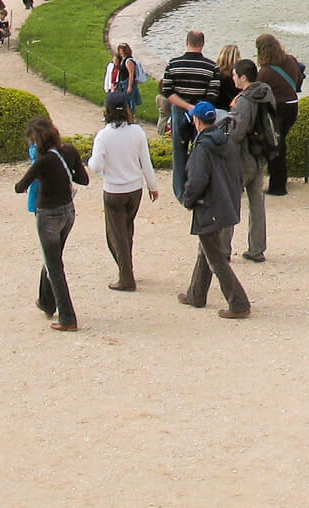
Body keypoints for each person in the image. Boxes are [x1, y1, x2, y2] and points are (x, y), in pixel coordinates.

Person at [175, 102, 251, 319]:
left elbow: (197, 180)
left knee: (215, 256)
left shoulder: (202, 147)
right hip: (225, 204)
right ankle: (196, 294)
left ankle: (239, 303)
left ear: (198, 121)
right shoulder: (226, 141)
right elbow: (237, 173)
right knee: (207, 249)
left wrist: (188, 200)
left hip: (209, 206)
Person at [15, 116, 89, 331]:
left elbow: (21, 187)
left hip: (48, 215)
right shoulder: (70, 151)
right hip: (68, 213)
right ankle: (47, 301)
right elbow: (83, 180)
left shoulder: (42, 160)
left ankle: (67, 317)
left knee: (55, 266)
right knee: (53, 258)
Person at [89, 92, 160, 289]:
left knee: (115, 235)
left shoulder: (103, 136)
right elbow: (146, 162)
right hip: (134, 190)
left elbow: (94, 167)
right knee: (127, 230)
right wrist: (153, 186)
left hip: (113, 190)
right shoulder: (137, 132)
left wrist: (98, 165)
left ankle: (126, 276)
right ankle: (127, 268)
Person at [225, 59, 276, 261]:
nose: (233, 78)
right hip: (261, 154)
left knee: (229, 202)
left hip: (243, 158)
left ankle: (223, 250)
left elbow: (236, 133)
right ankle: (257, 248)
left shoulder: (244, 102)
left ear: (244, 77)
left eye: (235, 75)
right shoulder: (266, 92)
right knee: (257, 203)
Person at [159, 29, 217, 203]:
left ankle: (180, 193)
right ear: (203, 44)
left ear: (187, 42)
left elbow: (167, 91)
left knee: (179, 152)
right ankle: (197, 191)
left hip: (180, 110)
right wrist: (197, 109)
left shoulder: (174, 64)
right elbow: (213, 94)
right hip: (201, 113)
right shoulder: (211, 67)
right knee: (200, 152)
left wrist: (187, 107)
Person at [254, 33, 304, 197]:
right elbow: (298, 80)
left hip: (277, 109)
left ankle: (278, 186)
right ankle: (280, 179)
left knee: (275, 146)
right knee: (280, 143)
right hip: (292, 106)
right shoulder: (291, 60)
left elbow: (257, 93)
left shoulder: (265, 72)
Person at [103, 42, 142, 114]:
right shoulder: (122, 60)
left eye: (122, 51)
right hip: (122, 83)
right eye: (120, 51)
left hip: (127, 83)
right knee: (123, 101)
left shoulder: (128, 61)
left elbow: (131, 74)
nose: (120, 52)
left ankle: (131, 115)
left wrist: (129, 86)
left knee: (129, 101)